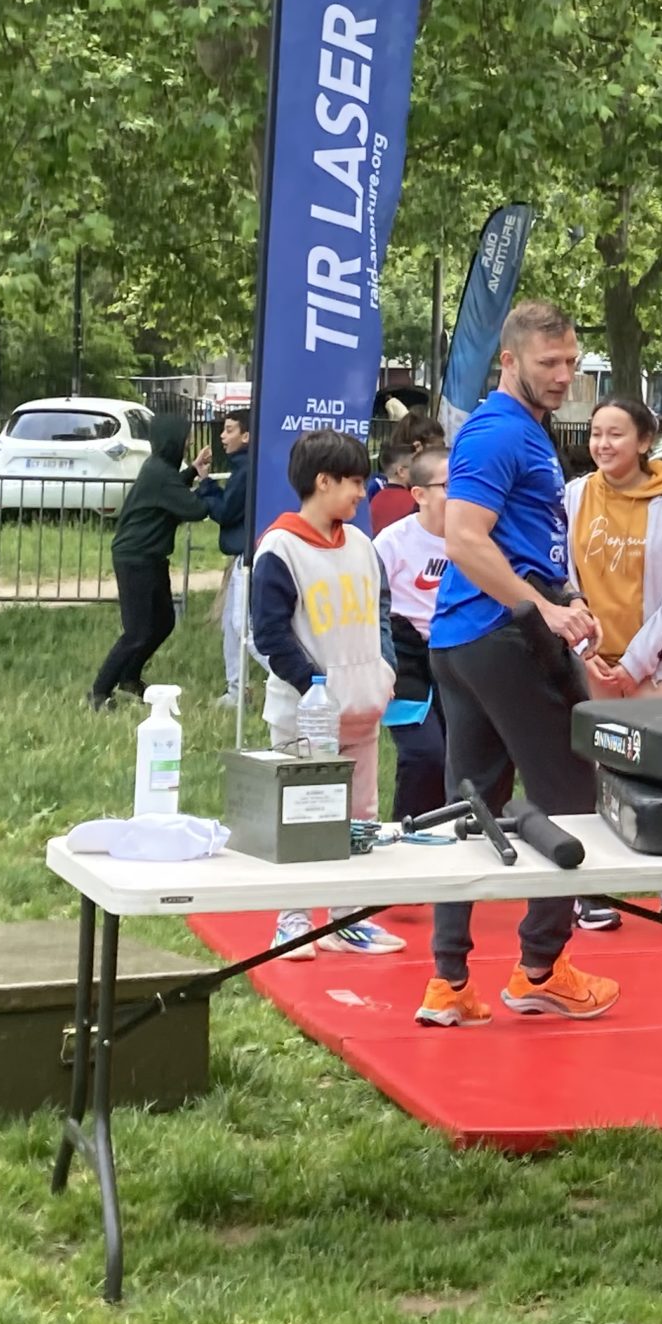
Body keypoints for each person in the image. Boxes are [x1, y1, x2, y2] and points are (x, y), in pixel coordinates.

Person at [416, 302, 620, 1030]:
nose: (564, 376)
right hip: (501, 637)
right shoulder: (499, 431)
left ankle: (447, 981)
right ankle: (541, 967)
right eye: (548, 364)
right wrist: (544, 610)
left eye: (571, 362)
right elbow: (465, 539)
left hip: (470, 639)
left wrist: (567, 599)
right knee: (572, 797)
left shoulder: (521, 430)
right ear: (509, 361)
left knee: (468, 808)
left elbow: (526, 542)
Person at [249, 428, 403, 959]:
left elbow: (381, 609)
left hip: (363, 710)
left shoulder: (360, 544)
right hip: (304, 718)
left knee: (360, 818)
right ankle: (292, 922)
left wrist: (384, 670)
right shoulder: (280, 548)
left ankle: (347, 918)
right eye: (354, 481)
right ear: (323, 481)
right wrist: (315, 686)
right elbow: (270, 633)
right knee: (303, 816)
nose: (362, 492)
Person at [564, 394, 662, 927]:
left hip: (659, 667)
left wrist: (637, 662)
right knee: (593, 776)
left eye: (616, 434)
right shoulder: (574, 495)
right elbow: (562, 578)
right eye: (596, 434)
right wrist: (585, 647)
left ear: (645, 440)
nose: (603, 444)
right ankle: (591, 887)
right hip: (591, 663)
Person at [88, 412, 218, 710]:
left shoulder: (160, 469)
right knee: (137, 631)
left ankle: (129, 678)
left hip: (150, 557)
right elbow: (195, 509)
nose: (188, 443)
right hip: (137, 558)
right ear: (172, 440)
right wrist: (209, 486)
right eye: (185, 438)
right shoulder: (159, 473)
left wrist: (192, 471)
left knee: (163, 621)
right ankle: (99, 692)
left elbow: (172, 489)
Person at [373, 444, 451, 822]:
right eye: (449, 486)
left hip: (457, 656)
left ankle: (451, 831)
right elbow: (368, 606)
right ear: (419, 494)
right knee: (425, 755)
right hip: (405, 658)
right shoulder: (392, 542)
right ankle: (408, 831)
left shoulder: (476, 538)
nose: (461, 493)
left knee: (459, 759)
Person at [203, 408, 254, 710]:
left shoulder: (245, 470)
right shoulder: (244, 467)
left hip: (246, 557)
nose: (223, 436)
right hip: (241, 555)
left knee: (243, 626)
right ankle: (236, 690)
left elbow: (225, 511)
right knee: (231, 626)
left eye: (230, 429)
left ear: (246, 436)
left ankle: (297, 680)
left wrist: (206, 491)